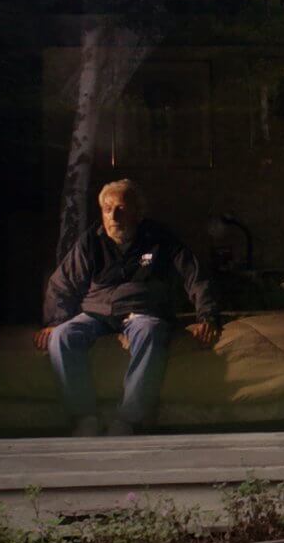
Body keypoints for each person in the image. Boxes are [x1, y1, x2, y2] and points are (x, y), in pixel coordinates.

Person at [35, 179, 222, 436]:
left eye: (121, 208)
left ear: (138, 212)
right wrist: (55, 322)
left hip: (143, 311)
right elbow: (62, 282)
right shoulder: (91, 240)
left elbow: (195, 276)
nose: (113, 216)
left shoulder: (160, 238)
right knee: (62, 336)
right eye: (107, 209)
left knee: (150, 331)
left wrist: (207, 316)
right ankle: (85, 417)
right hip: (97, 312)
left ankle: (128, 419)